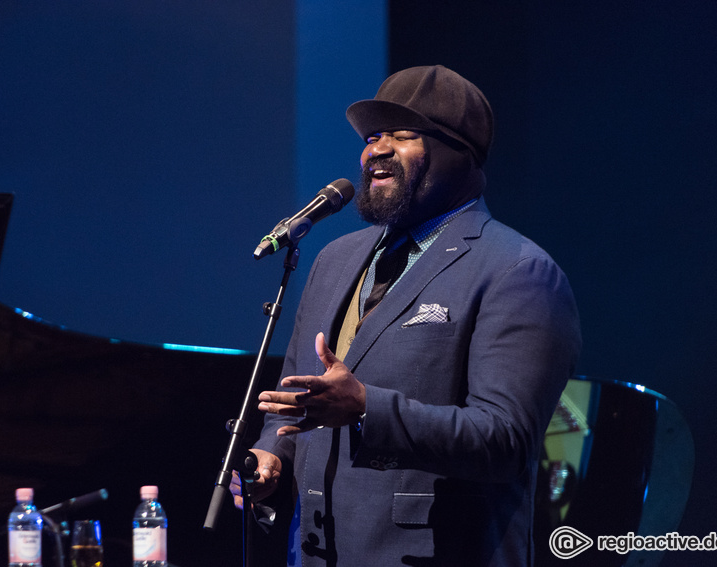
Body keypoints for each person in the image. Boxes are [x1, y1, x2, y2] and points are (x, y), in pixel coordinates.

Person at [230, 65, 582, 566]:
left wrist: (368, 408)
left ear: (459, 152)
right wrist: (274, 457)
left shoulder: (519, 272)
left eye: (402, 135)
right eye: (373, 136)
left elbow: (506, 441)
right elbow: (296, 395)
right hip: (313, 553)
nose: (376, 149)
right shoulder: (335, 260)